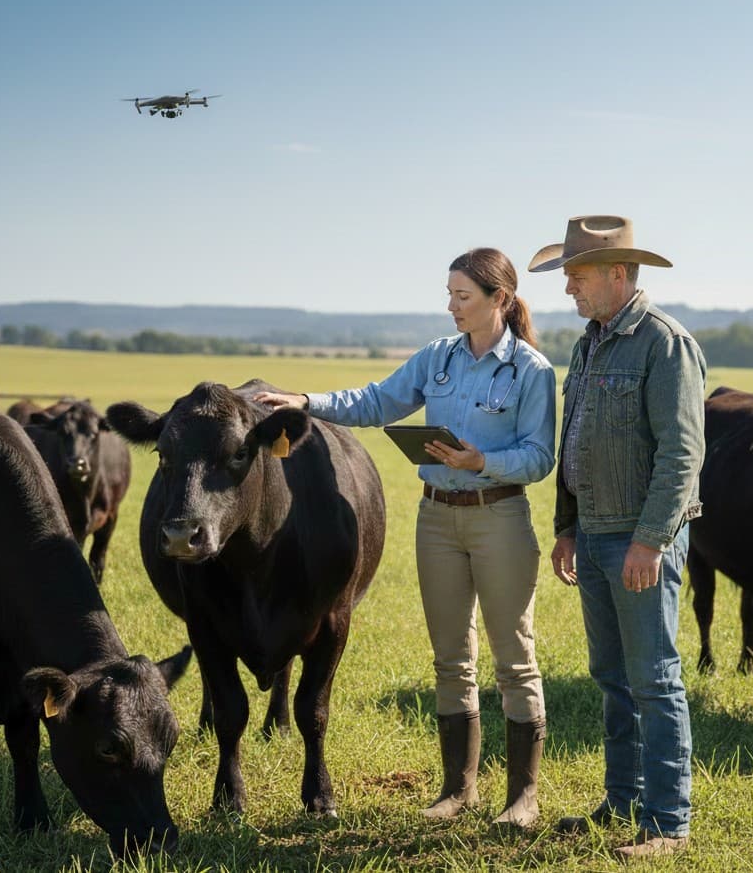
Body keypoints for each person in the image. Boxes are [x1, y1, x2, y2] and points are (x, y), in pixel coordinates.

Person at [255, 248, 556, 831]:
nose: (452, 306)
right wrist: (306, 403)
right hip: (436, 519)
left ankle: (523, 798)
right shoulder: (436, 358)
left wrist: (481, 461)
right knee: (451, 658)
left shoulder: (531, 371)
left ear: (499, 299)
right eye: (449, 295)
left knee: (514, 660)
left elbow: (540, 455)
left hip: (498, 517)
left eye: (463, 296)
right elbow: (375, 401)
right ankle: (457, 790)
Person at [527, 215, 706, 861]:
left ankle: (668, 824)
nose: (568, 288)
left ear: (619, 274)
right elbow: (575, 438)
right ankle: (623, 800)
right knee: (612, 677)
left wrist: (650, 541)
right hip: (594, 535)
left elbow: (682, 455)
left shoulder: (664, 343)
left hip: (639, 541)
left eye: (577, 276)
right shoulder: (590, 343)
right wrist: (566, 527)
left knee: (654, 680)